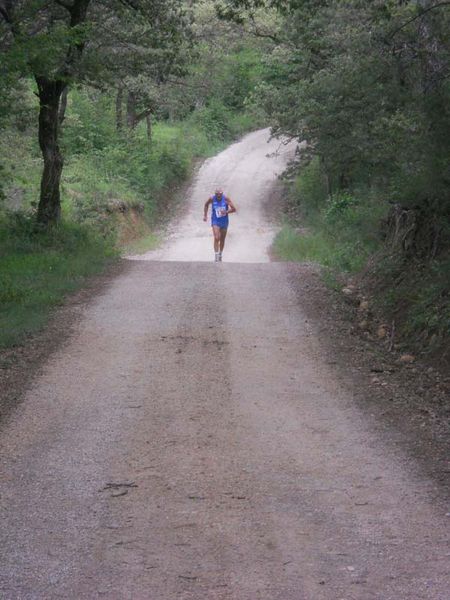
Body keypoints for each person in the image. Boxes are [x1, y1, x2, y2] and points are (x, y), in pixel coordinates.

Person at [203, 188, 236, 262]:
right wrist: (205, 215)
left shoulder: (226, 199)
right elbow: (206, 205)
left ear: (222, 194)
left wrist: (226, 212)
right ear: (215, 194)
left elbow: (234, 209)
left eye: (220, 195)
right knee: (217, 237)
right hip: (215, 221)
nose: (218, 196)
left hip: (224, 221)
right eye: (217, 194)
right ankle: (216, 255)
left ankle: (220, 254)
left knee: (222, 239)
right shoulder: (212, 199)